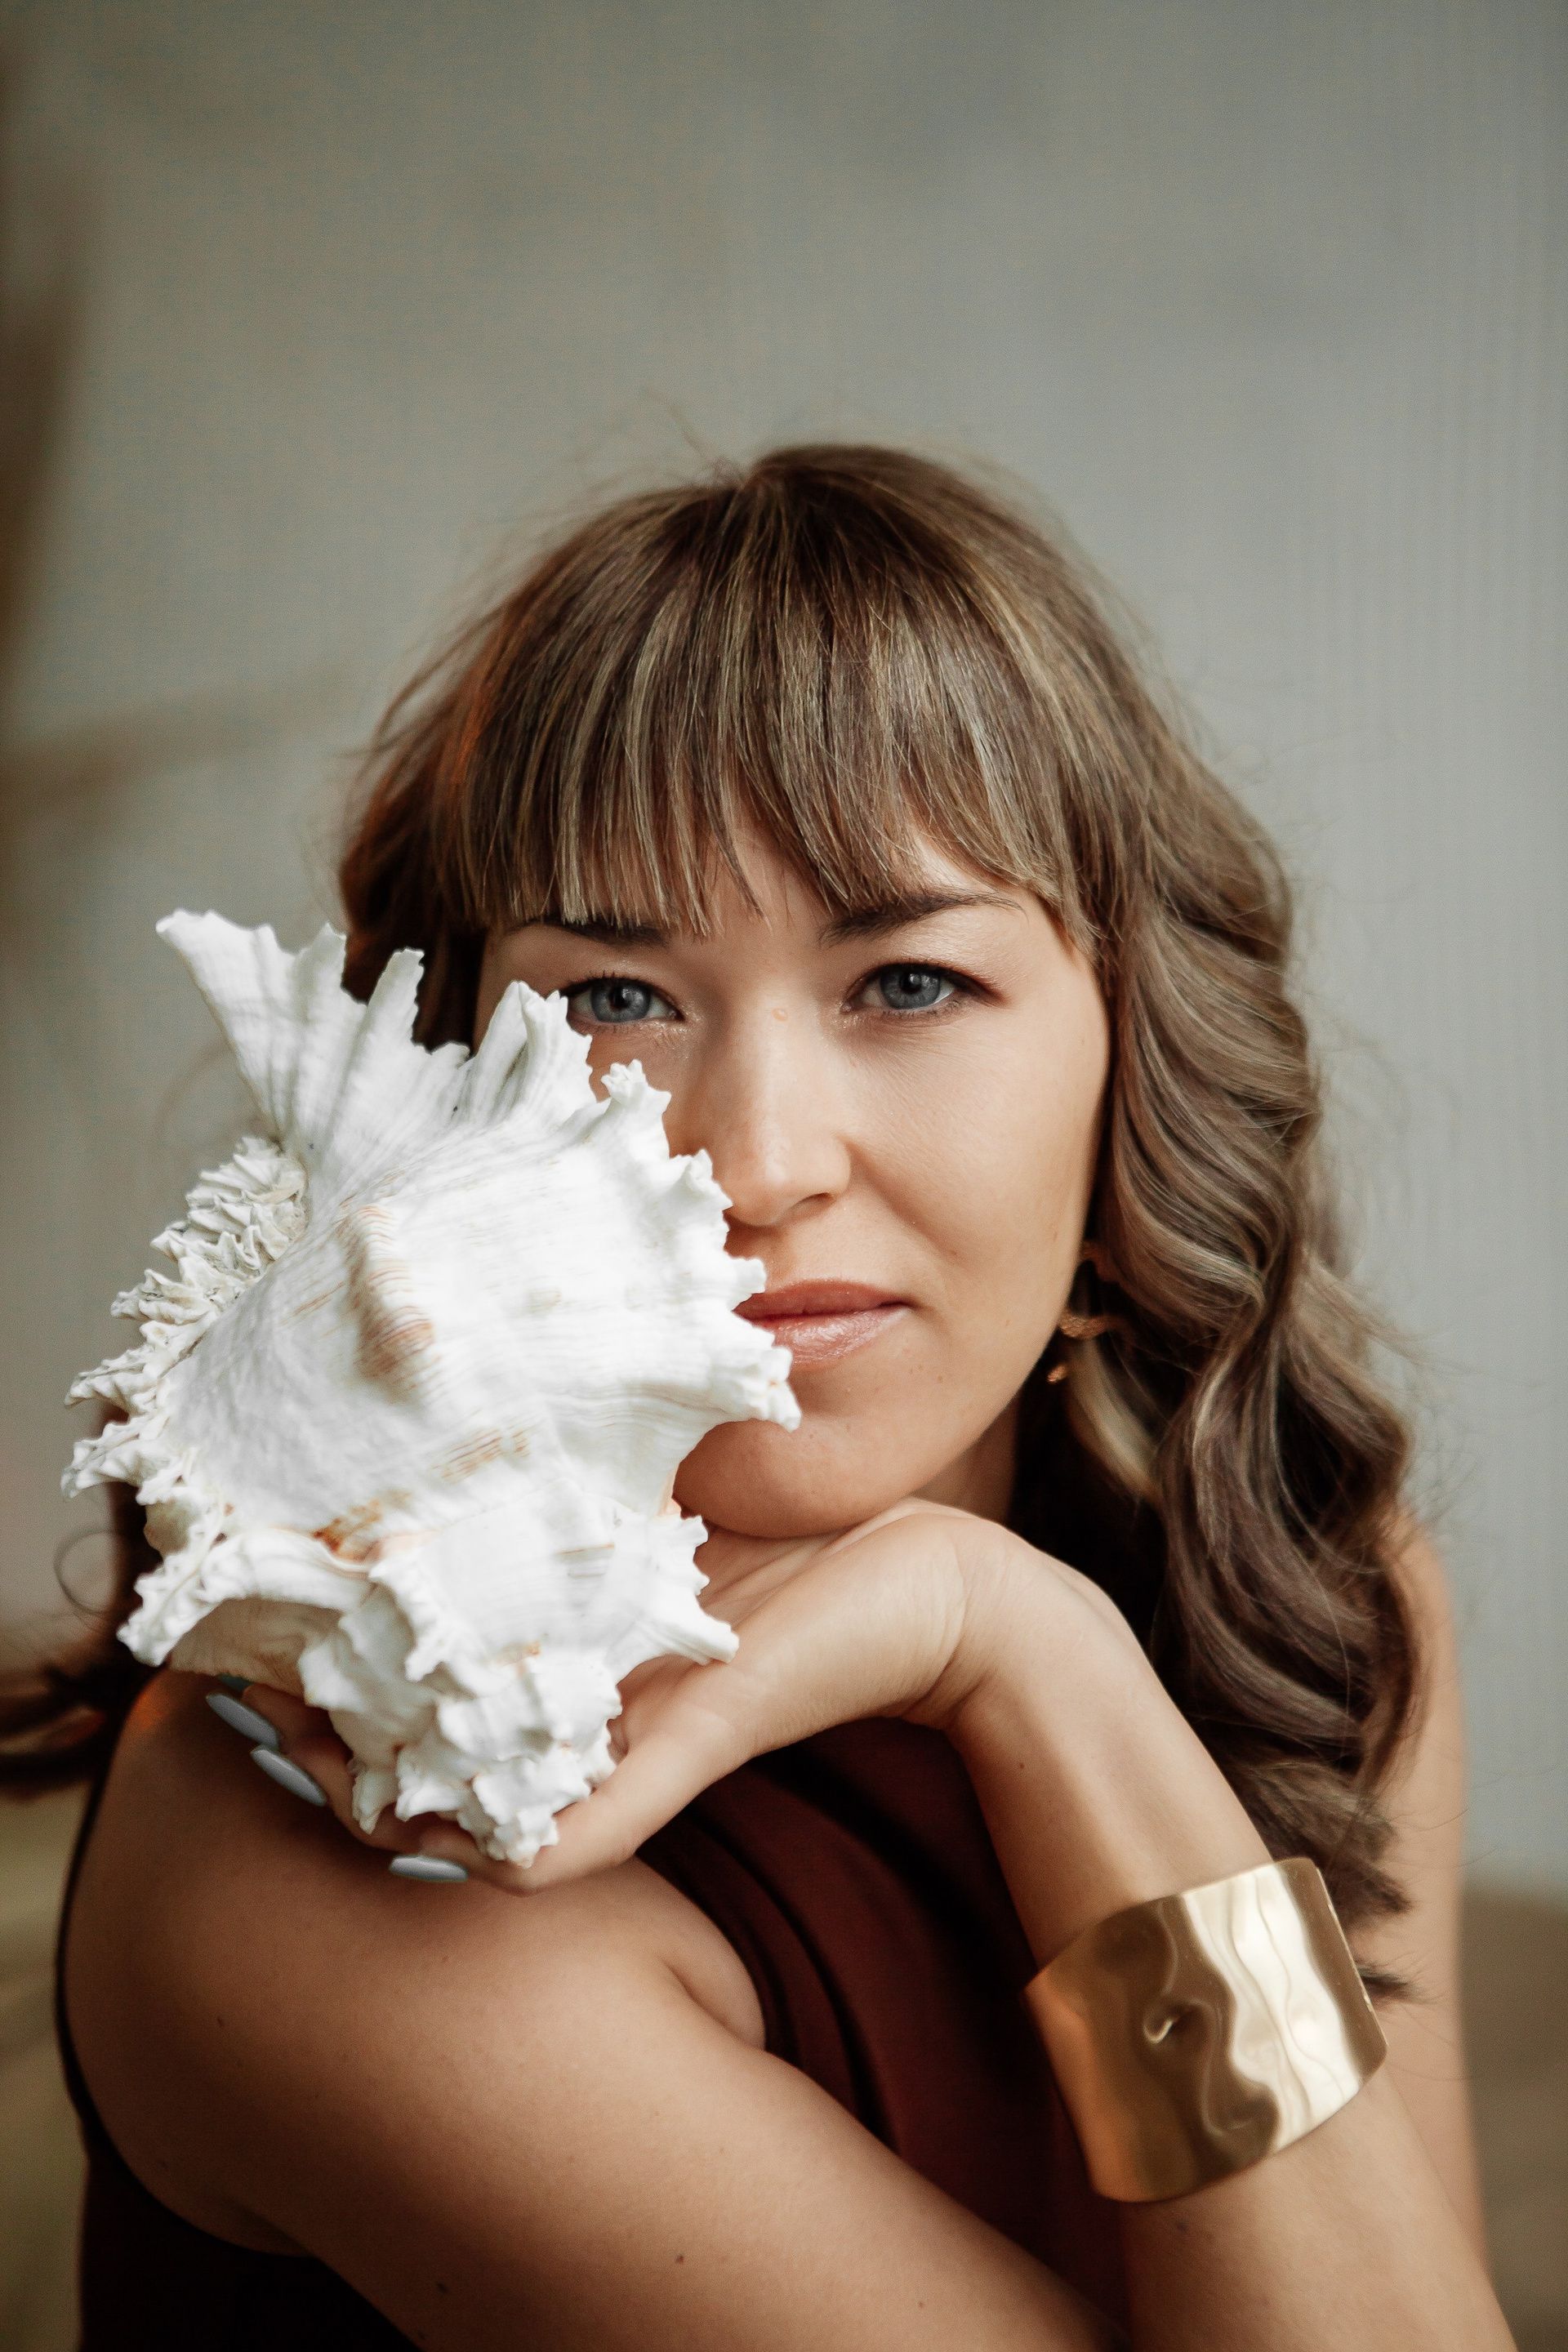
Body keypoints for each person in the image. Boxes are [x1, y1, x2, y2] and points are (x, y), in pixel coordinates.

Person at [3, 446, 1511, 2349]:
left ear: (1133, 1061)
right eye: (617, 998)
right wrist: (1020, 1657)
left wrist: (1027, 1658)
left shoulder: (1297, 1591)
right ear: (444, 1087)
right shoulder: (321, 1847)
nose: (762, 1161)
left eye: (908, 982)